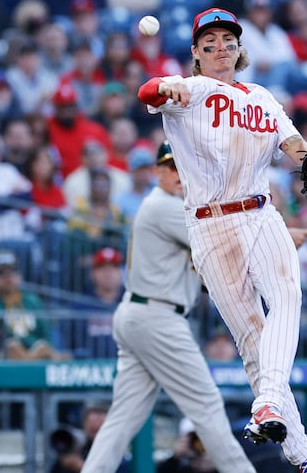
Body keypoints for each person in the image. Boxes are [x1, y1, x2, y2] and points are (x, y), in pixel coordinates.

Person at [137, 7, 307, 472]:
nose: (220, 48)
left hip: (260, 212)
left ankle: (267, 404)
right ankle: (305, 455)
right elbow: (148, 92)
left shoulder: (263, 97)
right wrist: (163, 86)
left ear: (239, 49)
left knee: (287, 295)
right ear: (196, 54)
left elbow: (296, 148)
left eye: (228, 41)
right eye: (210, 43)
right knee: (253, 341)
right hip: (208, 224)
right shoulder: (193, 90)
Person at [81, 141, 257, 473]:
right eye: (170, 167)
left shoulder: (179, 207)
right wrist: (279, 236)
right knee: (206, 405)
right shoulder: (163, 206)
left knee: (123, 417)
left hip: (142, 314)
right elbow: (221, 241)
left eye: (184, 166)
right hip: (157, 317)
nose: (178, 174)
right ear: (157, 173)